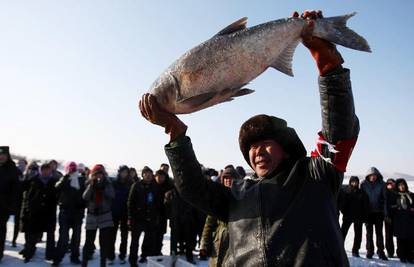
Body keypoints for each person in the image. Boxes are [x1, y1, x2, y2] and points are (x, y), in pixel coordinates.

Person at [139, 10, 359, 266]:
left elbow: (340, 130)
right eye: (251, 147)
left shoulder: (315, 176)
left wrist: (328, 64)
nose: (257, 151)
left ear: (286, 148)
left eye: (265, 143)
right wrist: (175, 132)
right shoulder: (236, 196)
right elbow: (192, 189)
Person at [200, 166, 240, 266]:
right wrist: (204, 244)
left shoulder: (243, 197)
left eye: (230, 178)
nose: (227, 180)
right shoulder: (218, 198)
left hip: (237, 244)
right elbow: (209, 223)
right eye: (225, 178)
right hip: (218, 244)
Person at [20, 163, 57, 263]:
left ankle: (50, 254)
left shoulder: (54, 182)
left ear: (50, 171)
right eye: (44, 170)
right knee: (32, 234)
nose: (46, 172)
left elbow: (57, 196)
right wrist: (28, 207)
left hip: (49, 212)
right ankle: (29, 253)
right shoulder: (33, 180)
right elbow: (26, 194)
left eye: (48, 170)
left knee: (50, 234)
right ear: (41, 170)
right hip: (35, 212)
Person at [53, 162, 87, 266]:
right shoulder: (64, 180)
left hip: (77, 213)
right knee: (63, 238)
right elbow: (57, 188)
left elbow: (86, 195)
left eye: (74, 169)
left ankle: (75, 257)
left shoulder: (81, 180)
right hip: (65, 213)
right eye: (70, 169)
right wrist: (66, 177)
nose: (72, 171)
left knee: (76, 238)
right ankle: (57, 259)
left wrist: (82, 206)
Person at [128, 166, 162, 266]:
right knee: (135, 241)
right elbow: (130, 202)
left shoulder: (155, 187)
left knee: (148, 240)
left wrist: (156, 215)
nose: (148, 176)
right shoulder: (136, 185)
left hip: (150, 218)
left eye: (150, 175)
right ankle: (132, 260)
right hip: (137, 218)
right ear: (142, 175)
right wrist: (130, 217)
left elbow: (158, 203)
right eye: (146, 174)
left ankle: (144, 256)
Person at [82, 164, 115, 267]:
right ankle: (84, 263)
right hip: (92, 216)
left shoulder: (108, 183)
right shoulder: (90, 183)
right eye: (97, 174)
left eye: (101, 174)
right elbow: (85, 197)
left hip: (105, 216)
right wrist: (92, 185)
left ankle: (103, 263)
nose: (99, 176)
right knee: (88, 242)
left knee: (104, 243)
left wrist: (104, 187)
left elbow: (112, 195)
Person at [360, 167, 388, 260]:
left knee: (379, 233)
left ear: (377, 176)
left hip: (378, 213)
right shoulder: (363, 185)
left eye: (375, 175)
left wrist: (385, 213)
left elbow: (385, 199)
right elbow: (361, 199)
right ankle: (369, 251)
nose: (373, 177)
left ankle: (381, 252)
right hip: (368, 213)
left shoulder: (382, 184)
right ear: (368, 176)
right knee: (369, 233)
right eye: (371, 175)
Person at [338, 176, 369, 257]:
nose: (354, 183)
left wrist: (365, 217)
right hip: (348, 216)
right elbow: (342, 203)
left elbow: (365, 206)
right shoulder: (346, 191)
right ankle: (339, 248)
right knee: (343, 233)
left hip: (359, 217)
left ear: (358, 183)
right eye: (353, 181)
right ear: (350, 182)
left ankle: (355, 250)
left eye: (356, 182)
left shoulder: (362, 193)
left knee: (358, 235)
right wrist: (343, 211)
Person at [108, 165, 132, 264]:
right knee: (111, 236)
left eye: (126, 172)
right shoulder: (113, 183)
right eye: (123, 172)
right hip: (114, 213)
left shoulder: (130, 184)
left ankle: (122, 255)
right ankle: (111, 256)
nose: (124, 174)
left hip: (125, 214)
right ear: (119, 172)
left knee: (124, 236)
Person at [0, 146, 19, 262]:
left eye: (3, 155)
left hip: (3, 206)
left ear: (7, 156)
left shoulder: (12, 169)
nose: (1, 157)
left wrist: (11, 207)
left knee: (1, 231)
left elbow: (16, 190)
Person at [392, 178, 414, 263]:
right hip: (399, 221)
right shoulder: (395, 195)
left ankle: (410, 256)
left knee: (411, 240)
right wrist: (396, 208)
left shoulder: (411, 195)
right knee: (401, 240)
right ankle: (402, 256)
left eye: (403, 184)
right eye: (400, 185)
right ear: (397, 186)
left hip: (410, 221)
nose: (402, 186)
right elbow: (390, 206)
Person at [153, 169, 174, 256]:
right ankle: (148, 252)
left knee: (160, 234)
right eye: (159, 176)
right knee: (151, 234)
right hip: (152, 214)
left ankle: (158, 250)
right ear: (155, 177)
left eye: (163, 177)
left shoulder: (168, 187)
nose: (161, 178)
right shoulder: (151, 186)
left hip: (163, 215)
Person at [384, 178, 397, 258]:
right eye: (388, 183)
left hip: (397, 216)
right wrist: (386, 215)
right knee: (388, 235)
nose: (390, 185)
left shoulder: (397, 192)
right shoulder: (385, 192)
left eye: (391, 183)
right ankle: (390, 251)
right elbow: (384, 204)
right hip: (388, 216)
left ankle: (401, 251)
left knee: (399, 235)